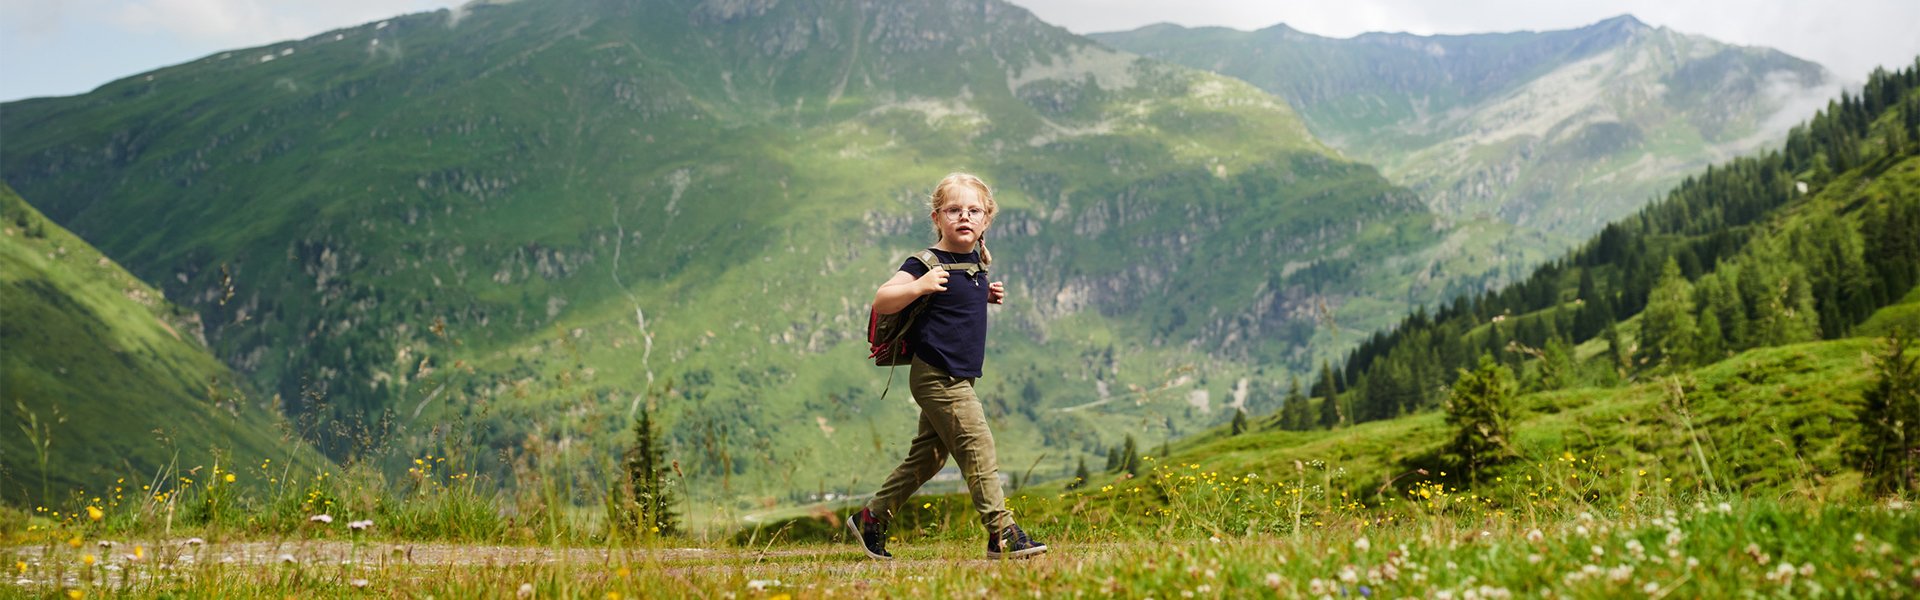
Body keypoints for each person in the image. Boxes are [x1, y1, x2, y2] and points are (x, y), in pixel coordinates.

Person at [847, 173, 1049, 560]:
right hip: (938, 375)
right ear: (937, 218)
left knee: (930, 456)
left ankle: (872, 518)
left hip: (960, 376)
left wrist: (984, 294)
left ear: (987, 219)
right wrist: (919, 286)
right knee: (978, 446)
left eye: (974, 211)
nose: (964, 217)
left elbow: (954, 300)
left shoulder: (974, 261)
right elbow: (883, 299)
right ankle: (1002, 533)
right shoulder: (925, 262)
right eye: (954, 210)